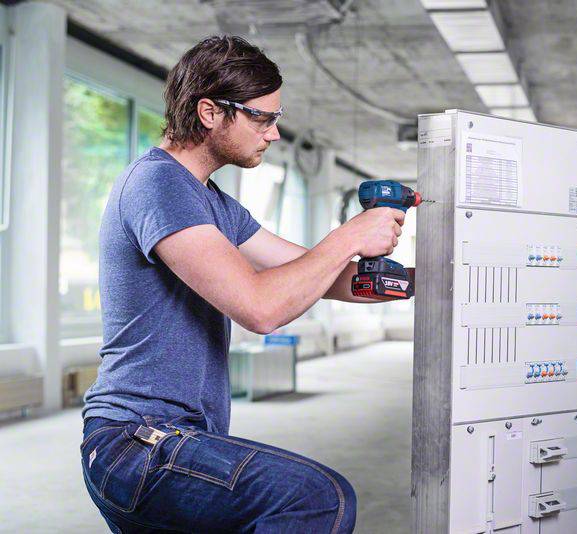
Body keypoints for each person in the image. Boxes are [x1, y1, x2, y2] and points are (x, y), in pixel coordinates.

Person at [79, 35, 407, 533]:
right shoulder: (158, 184)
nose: (274, 133)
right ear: (210, 112)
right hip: (138, 441)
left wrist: (430, 278)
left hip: (175, 440)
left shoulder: (215, 204)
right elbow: (260, 307)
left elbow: (317, 274)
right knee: (315, 499)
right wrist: (350, 235)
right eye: (263, 117)